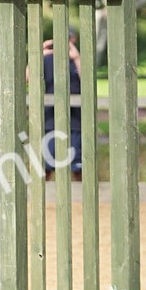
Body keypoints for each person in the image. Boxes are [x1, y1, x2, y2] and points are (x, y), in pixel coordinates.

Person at [42, 27, 82, 180]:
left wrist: (76, 58)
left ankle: (82, 199)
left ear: (74, 40)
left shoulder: (77, 59)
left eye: (69, 39)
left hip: (75, 121)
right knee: (46, 165)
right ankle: (44, 199)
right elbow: (28, 78)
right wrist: (38, 54)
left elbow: (88, 82)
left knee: (77, 165)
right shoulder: (47, 59)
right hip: (51, 120)